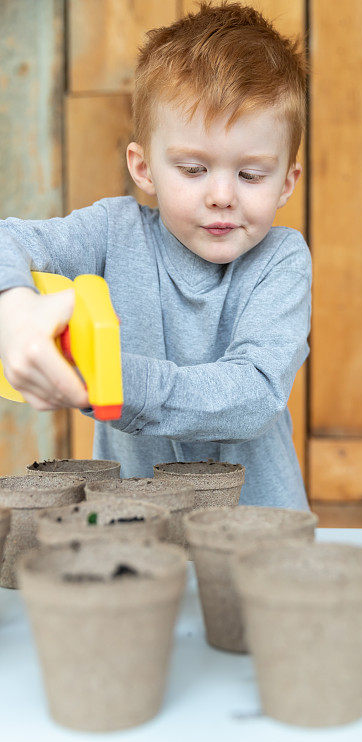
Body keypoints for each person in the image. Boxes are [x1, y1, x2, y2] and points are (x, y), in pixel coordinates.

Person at [0, 1, 312, 509]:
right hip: (134, 530)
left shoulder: (281, 260)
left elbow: (254, 394)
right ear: (144, 168)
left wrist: (110, 382)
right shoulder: (110, 231)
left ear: (286, 183)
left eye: (251, 175)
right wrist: (11, 306)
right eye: (193, 169)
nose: (222, 195)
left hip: (260, 536)